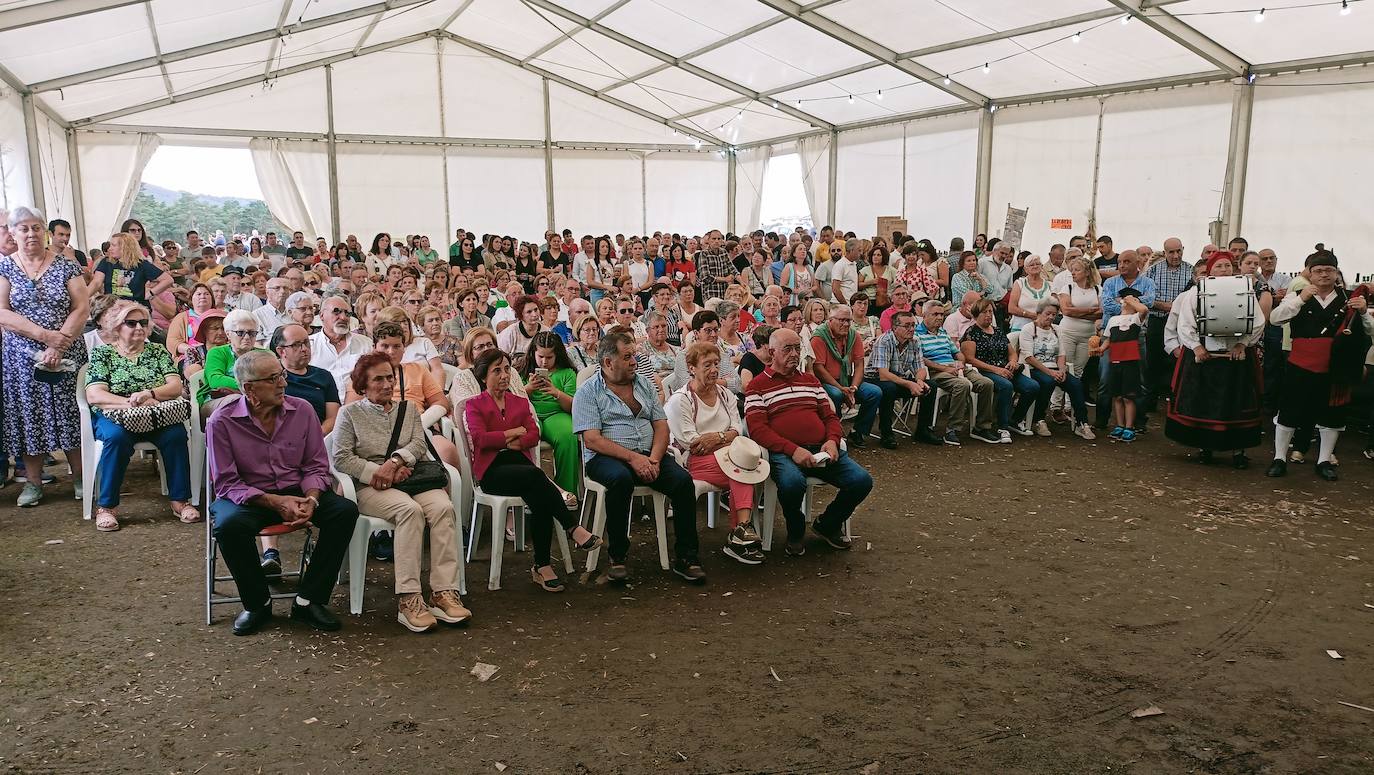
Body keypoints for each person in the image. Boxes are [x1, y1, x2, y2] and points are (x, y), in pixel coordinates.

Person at [207, 350, 359, 636]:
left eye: (282, 375)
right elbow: (226, 483)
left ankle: (308, 600)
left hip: (298, 490)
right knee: (228, 526)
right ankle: (257, 604)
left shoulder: (301, 411)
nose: (283, 384)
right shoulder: (222, 422)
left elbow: (316, 465)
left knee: (344, 511)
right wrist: (276, 502)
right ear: (249, 388)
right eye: (274, 378)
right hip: (250, 496)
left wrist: (312, 500)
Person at [332, 353, 470, 631]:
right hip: (371, 486)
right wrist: (377, 472)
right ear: (362, 385)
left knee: (443, 507)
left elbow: (419, 443)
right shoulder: (350, 413)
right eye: (378, 379)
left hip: (408, 478)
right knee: (410, 512)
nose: (386, 384)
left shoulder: (407, 410)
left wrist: (396, 461)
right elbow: (341, 457)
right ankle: (409, 598)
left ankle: (444, 592)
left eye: (389, 377)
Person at [573, 332, 703, 584]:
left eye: (634, 355)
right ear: (608, 362)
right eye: (628, 356)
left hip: (648, 454)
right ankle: (617, 556)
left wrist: (653, 459)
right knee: (620, 480)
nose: (635, 361)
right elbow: (592, 440)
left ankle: (687, 557)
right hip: (606, 457)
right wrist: (634, 459)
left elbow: (661, 426)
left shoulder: (643, 383)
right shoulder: (588, 392)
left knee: (683, 481)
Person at [465, 349, 600, 593]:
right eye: (497, 371)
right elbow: (480, 439)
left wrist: (513, 437)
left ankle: (543, 566)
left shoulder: (518, 402)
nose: (505, 375)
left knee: (539, 496)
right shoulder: (475, 404)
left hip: (520, 465)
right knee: (539, 479)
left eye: (507, 369)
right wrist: (512, 433)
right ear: (483, 376)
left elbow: (534, 433)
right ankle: (572, 529)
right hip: (492, 472)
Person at [745, 328, 871, 557]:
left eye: (797, 348)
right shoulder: (757, 386)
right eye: (788, 349)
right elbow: (757, 430)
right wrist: (792, 450)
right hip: (783, 452)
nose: (794, 354)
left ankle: (827, 524)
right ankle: (796, 529)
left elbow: (830, 416)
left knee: (861, 481)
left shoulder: (811, 381)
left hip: (822, 449)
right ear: (772, 352)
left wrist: (833, 441)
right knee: (793, 483)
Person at [0, 206, 88, 506]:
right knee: (27, 416)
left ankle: (81, 477)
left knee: (72, 413)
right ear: (12, 233)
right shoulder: (5, 267)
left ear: (44, 231)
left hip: (66, 349)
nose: (30, 233)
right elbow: (2, 311)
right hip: (21, 356)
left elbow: (82, 307)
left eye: (36, 227)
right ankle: (34, 484)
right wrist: (43, 336)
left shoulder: (66, 265)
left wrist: (57, 343)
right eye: (23, 228)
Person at [83, 300, 197, 530]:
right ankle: (106, 507)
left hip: (155, 413)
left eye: (143, 323)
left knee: (175, 435)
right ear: (117, 327)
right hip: (115, 414)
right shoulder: (102, 354)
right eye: (131, 322)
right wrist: (129, 403)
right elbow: (95, 394)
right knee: (116, 438)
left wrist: (150, 394)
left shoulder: (157, 351)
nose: (138, 327)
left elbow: (175, 386)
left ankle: (180, 500)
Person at [1266, 250, 1372, 481]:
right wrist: (1301, 299)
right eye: (1318, 271)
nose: (1324, 275)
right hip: (1300, 363)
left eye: (1329, 270)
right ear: (1310, 274)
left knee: (1331, 414)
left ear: (1336, 273)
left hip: (1336, 367)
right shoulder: (1296, 294)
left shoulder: (1350, 298)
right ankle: (1279, 458)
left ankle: (1324, 460)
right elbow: (1275, 318)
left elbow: (1370, 332)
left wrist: (1364, 312)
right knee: (1289, 411)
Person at [666, 342, 766, 565]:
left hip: (725, 456)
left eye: (716, 364)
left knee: (743, 466)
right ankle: (740, 533)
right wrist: (725, 438)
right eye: (707, 365)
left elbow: (737, 428)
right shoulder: (681, 400)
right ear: (691, 368)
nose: (714, 370)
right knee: (743, 468)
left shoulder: (724, 394)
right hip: (692, 461)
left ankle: (740, 533)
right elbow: (692, 442)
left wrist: (717, 438)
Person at [1164, 252, 1263, 467]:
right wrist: (1196, 346)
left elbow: (1257, 321)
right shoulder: (1195, 292)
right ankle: (1205, 449)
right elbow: (1185, 322)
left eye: (1228, 265)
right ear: (1210, 270)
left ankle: (1238, 452)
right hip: (1205, 357)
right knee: (1204, 404)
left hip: (1235, 358)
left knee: (1235, 404)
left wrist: (1242, 344)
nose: (1224, 270)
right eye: (1219, 266)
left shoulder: (1245, 290)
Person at [916, 300, 995, 445]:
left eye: (942, 314)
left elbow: (957, 353)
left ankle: (982, 427)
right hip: (935, 371)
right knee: (962, 385)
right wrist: (945, 368)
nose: (940, 317)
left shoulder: (943, 332)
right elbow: (921, 359)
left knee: (987, 383)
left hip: (955, 367)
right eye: (935, 314)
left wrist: (960, 362)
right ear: (925, 315)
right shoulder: (916, 334)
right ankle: (952, 429)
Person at [960, 299, 1036, 443]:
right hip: (984, 369)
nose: (989, 315)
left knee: (1032, 387)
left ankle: (1015, 420)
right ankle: (1003, 427)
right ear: (977, 314)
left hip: (1005, 369)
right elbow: (969, 359)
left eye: (990, 311)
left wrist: (1013, 362)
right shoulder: (971, 333)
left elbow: (1011, 352)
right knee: (1006, 386)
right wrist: (996, 370)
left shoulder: (998, 331)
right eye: (985, 312)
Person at [809, 303, 880, 447]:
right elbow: (819, 369)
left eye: (848, 320)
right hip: (827, 382)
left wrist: (853, 387)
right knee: (835, 394)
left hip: (847, 379)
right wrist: (841, 389)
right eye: (842, 320)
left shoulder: (853, 336)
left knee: (874, 392)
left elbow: (859, 364)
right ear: (830, 320)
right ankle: (833, 434)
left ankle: (857, 432)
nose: (846, 324)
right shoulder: (819, 337)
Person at [521, 332, 582, 497]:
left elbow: (574, 406)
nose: (544, 361)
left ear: (558, 355)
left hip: (557, 413)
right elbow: (511, 398)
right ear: (533, 352)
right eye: (541, 356)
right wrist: (528, 389)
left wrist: (556, 393)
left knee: (568, 435)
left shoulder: (567, 373)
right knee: (523, 437)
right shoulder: (523, 370)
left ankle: (566, 492)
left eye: (549, 357)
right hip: (529, 414)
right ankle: (529, 491)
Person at [866, 308, 936, 448]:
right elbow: (883, 374)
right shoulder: (884, 340)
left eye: (913, 325)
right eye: (907, 326)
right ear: (895, 328)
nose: (911, 329)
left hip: (899, 378)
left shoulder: (915, 341)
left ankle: (923, 430)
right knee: (889, 388)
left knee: (931, 386)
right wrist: (910, 384)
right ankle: (886, 433)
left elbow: (920, 367)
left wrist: (919, 381)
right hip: (875, 379)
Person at [1144, 237, 1193, 406]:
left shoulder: (1191, 270)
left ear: (1183, 249)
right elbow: (1144, 298)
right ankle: (1150, 401)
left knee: (1177, 361)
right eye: (1171, 252)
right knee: (1153, 361)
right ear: (1164, 252)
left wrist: (1177, 308)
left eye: (1178, 251)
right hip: (1157, 321)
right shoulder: (1153, 270)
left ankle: (1174, 398)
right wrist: (1166, 306)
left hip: (1181, 324)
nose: (1175, 255)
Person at [1098, 287, 1149, 442]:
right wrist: (1100, 349)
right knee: (1118, 396)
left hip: (1130, 362)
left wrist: (1132, 300)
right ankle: (1119, 425)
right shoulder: (1113, 320)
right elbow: (1108, 338)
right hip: (1115, 360)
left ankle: (1129, 426)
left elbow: (1144, 310)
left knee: (1129, 396)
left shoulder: (1135, 318)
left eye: (1132, 300)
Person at [200, 309, 266, 419]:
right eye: (240, 333)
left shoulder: (264, 355)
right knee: (237, 401)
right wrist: (251, 387)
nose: (247, 337)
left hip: (258, 398)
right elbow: (215, 380)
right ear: (228, 334)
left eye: (252, 333)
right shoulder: (217, 352)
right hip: (217, 400)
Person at [90, 231, 173, 309]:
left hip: (136, 309)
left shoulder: (141, 264)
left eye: (113, 245)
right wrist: (84, 298)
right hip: (112, 309)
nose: (110, 249)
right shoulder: (106, 262)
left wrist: (151, 293)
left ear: (125, 247)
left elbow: (168, 280)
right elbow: (96, 282)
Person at [165, 283, 217, 362]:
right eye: (198, 294)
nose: (202, 296)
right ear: (191, 299)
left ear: (212, 298)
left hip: (217, 354)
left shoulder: (220, 316)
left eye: (206, 294)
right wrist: (193, 350)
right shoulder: (181, 317)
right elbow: (172, 341)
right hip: (190, 355)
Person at [1007, 254, 1051, 331]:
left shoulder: (1049, 285)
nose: (1035, 266)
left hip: (1042, 328)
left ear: (1042, 266)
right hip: (1020, 328)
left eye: (1038, 264)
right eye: (1031, 265)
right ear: (1025, 269)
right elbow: (1011, 308)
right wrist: (1031, 315)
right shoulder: (1019, 283)